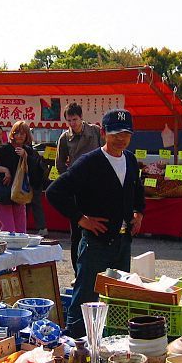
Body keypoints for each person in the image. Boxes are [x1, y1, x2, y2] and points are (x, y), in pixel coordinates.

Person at [46, 109, 145, 338]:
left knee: (116, 293)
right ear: (104, 133)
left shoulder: (129, 159)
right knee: (85, 295)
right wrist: (81, 219)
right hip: (95, 242)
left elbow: (137, 190)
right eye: (115, 133)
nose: (121, 138)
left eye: (126, 133)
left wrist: (139, 213)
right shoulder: (89, 162)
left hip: (122, 240)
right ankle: (75, 342)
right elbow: (55, 192)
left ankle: (108, 338)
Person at [55, 102, 104, 271]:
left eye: (75, 119)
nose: (72, 123)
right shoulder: (64, 138)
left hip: (97, 187)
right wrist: (69, 178)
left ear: (81, 118)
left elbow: (106, 152)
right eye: (69, 120)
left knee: (98, 229)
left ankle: (98, 271)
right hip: (76, 188)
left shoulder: (96, 131)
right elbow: (60, 163)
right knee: (76, 232)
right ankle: (78, 272)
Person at [0, 121, 44, 233]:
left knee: (21, 232)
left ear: (27, 135)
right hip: (3, 193)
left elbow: (38, 172)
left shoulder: (29, 151)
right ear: (12, 134)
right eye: (16, 133)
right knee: (8, 231)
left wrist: (26, 157)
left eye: (22, 133)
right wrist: (5, 170)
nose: (19, 136)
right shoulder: (5, 149)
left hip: (20, 195)